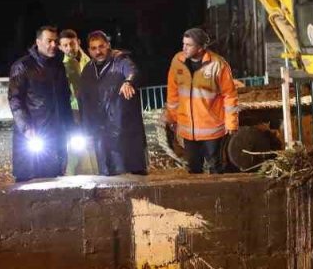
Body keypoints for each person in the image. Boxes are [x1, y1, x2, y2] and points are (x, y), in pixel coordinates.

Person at [164, 27, 238, 174]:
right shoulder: (177, 61)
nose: (184, 48)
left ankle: (217, 196)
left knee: (215, 167)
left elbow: (229, 95)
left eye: (189, 45)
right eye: (183, 44)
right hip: (187, 129)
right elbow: (173, 94)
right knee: (193, 168)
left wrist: (231, 123)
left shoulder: (218, 65)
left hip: (212, 128)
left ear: (200, 47)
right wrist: (171, 118)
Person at [77, 31, 148, 176]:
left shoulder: (120, 61)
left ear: (108, 45)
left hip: (124, 130)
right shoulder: (87, 71)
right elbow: (84, 102)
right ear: (89, 51)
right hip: (100, 134)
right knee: (107, 175)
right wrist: (86, 130)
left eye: (101, 46)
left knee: (131, 174)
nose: (98, 51)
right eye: (94, 48)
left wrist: (128, 82)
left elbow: (133, 72)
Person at [8, 26, 71, 181]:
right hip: (34, 134)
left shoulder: (58, 66)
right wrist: (26, 128)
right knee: (30, 182)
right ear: (38, 42)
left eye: (55, 41)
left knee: (56, 182)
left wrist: (70, 126)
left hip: (56, 135)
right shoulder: (22, 66)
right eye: (49, 41)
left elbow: (64, 98)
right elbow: (15, 100)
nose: (53, 45)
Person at [58, 29, 98, 175]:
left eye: (72, 44)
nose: (69, 48)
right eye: (65, 45)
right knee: (75, 149)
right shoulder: (61, 68)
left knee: (92, 147)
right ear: (60, 47)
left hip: (92, 112)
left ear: (78, 42)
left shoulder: (90, 61)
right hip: (75, 113)